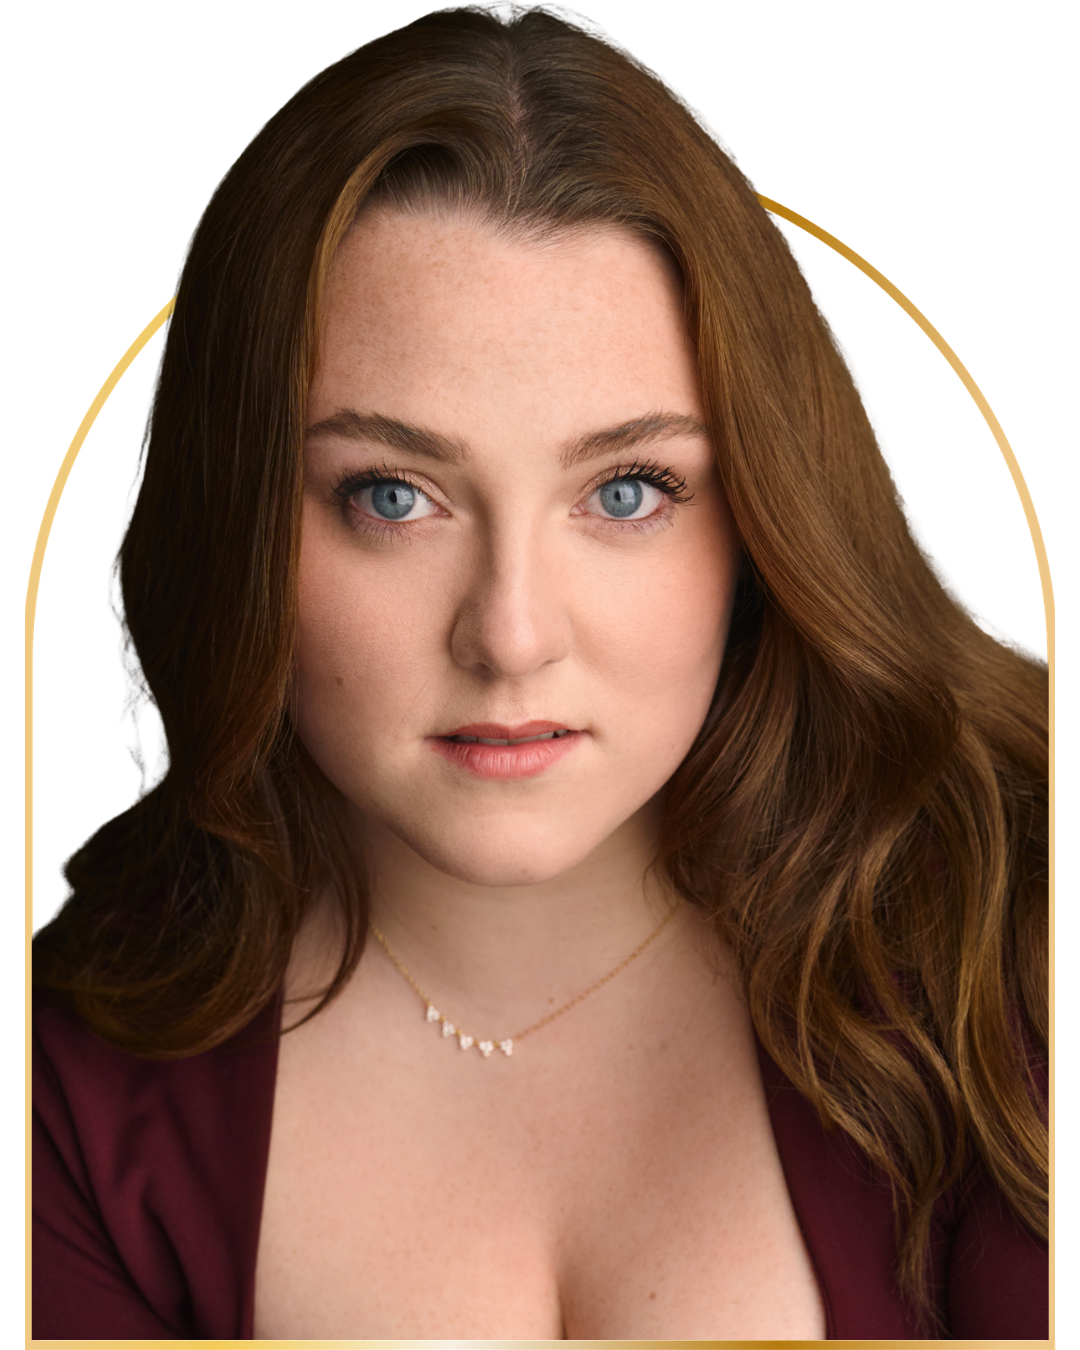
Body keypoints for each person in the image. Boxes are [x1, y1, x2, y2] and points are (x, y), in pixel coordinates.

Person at [32, 2, 1049, 1339]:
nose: (510, 636)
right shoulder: (70, 1095)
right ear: (240, 522)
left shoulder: (1016, 941)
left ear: (762, 520)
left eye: (627, 491)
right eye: (391, 496)